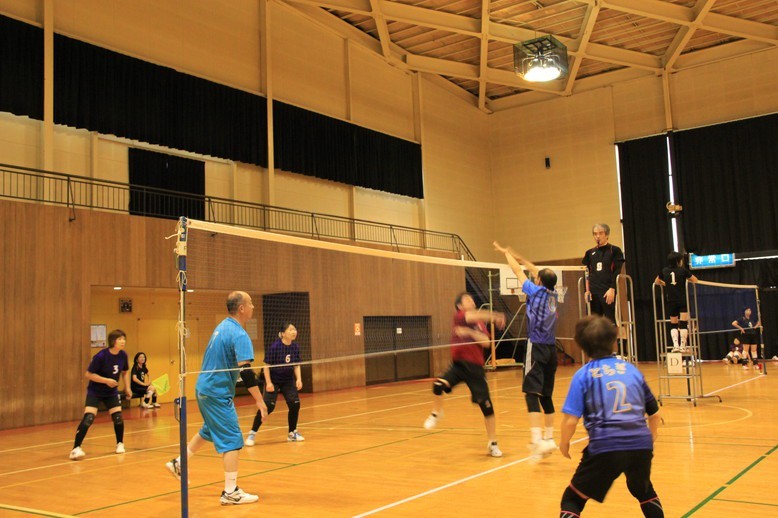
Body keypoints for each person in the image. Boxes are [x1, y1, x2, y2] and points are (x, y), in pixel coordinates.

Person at [165, 291, 268, 505]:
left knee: (210, 430)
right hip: (216, 391)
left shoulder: (222, 327)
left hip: (204, 388)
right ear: (241, 308)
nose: (253, 307)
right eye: (250, 303)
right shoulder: (239, 334)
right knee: (232, 440)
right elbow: (246, 372)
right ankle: (230, 492)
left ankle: (179, 462)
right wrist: (260, 400)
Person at [559, 316, 663, 517]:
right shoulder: (632, 370)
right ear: (613, 341)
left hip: (606, 445)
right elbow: (654, 413)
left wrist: (564, 443)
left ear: (582, 346)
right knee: (643, 490)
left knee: (573, 498)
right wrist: (650, 437)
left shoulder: (584, 375)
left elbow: (570, 420)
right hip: (641, 445)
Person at [494, 241, 558, 460]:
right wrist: (522, 258)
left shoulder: (535, 291)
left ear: (538, 281)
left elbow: (517, 271)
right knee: (546, 395)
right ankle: (549, 438)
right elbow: (535, 271)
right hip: (551, 349)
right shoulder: (553, 295)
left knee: (531, 393)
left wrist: (506, 254)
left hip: (536, 346)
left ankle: (537, 440)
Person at [423, 292, 506, 457]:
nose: (472, 301)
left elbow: (486, 343)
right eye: (467, 299)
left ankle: (493, 443)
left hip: (476, 370)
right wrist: (495, 316)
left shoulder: (479, 323)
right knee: (438, 385)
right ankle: (437, 412)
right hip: (459, 366)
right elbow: (474, 316)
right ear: (460, 306)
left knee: (486, 407)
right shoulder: (460, 316)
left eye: (472, 299)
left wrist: (470, 332)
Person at [70, 329, 132, 460]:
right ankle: (76, 448)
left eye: (124, 339)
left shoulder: (123, 355)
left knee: (118, 417)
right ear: (113, 341)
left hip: (111, 392)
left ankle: (120, 443)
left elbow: (125, 371)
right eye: (120, 339)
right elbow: (88, 374)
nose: (123, 341)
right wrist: (106, 381)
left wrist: (127, 387)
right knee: (89, 418)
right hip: (96, 391)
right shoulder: (101, 356)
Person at [245, 323, 304, 446]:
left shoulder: (295, 347)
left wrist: (299, 379)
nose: (294, 332)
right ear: (283, 333)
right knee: (268, 407)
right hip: (274, 379)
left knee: (295, 404)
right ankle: (252, 433)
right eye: (290, 330)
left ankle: (292, 433)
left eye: (294, 329)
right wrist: (269, 383)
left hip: (288, 380)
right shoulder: (275, 347)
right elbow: (266, 366)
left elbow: (296, 365)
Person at [654, 251, 698, 353]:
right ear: (678, 261)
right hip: (682, 300)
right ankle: (683, 346)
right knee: (683, 323)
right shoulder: (682, 270)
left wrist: (666, 284)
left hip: (671, 300)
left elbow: (656, 281)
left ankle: (676, 346)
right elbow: (695, 280)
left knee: (673, 324)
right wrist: (685, 281)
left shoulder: (664, 270)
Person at [582, 224, 625, 324]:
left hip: (607, 291)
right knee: (593, 322)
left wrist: (612, 288)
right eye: (595, 234)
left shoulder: (614, 250)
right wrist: (587, 291)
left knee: (612, 321)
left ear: (607, 235)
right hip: (593, 292)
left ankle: (618, 335)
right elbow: (586, 273)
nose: (597, 236)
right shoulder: (589, 253)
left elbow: (617, 271)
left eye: (600, 233)